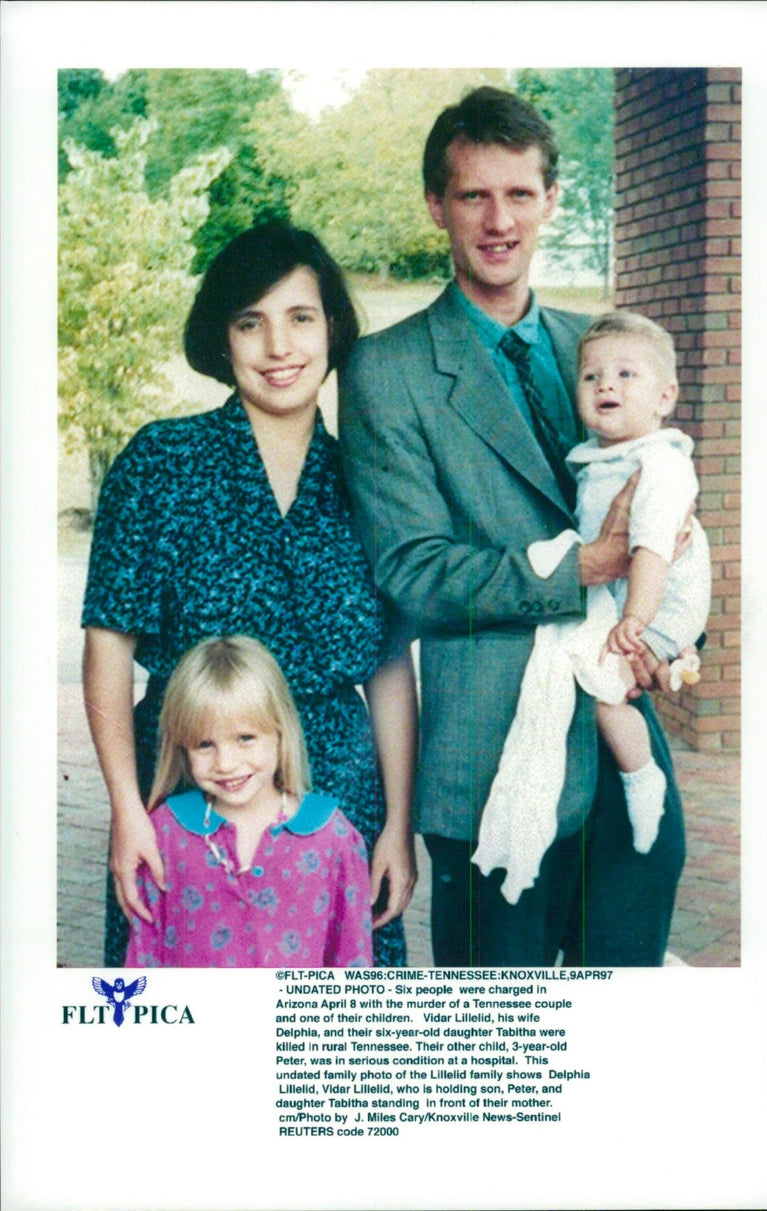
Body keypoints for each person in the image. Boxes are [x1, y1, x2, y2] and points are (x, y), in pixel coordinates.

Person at [339, 86, 687, 967]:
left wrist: (678, 630)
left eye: (520, 195)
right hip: (489, 759)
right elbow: (412, 571)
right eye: (473, 195)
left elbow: (673, 512)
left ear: (551, 202)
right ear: (436, 207)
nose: (499, 221)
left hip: (622, 745)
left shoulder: (603, 347)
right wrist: (586, 565)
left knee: (621, 1022)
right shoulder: (388, 371)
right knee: (497, 1046)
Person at [82, 222, 417, 969]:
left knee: (331, 1055)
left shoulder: (374, 477)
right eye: (250, 322)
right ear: (221, 338)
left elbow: (391, 664)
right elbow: (107, 646)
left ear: (332, 328)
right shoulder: (161, 463)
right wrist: (126, 811)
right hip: (184, 799)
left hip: (339, 804)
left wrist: (398, 823)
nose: (279, 347)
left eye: (300, 318)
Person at [474, 311, 710, 903]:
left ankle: (641, 778)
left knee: (607, 692)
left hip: (661, 600)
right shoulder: (605, 456)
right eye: (591, 377)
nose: (606, 386)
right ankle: (639, 769)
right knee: (598, 677)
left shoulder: (659, 463)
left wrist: (638, 622)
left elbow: (654, 548)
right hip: (625, 595)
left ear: (665, 397)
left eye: (626, 375)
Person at [125, 635, 373, 968]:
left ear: (281, 731)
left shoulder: (334, 838)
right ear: (182, 746)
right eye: (204, 744)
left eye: (245, 738)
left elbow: (352, 962)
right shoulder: (165, 834)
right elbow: (143, 958)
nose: (225, 763)